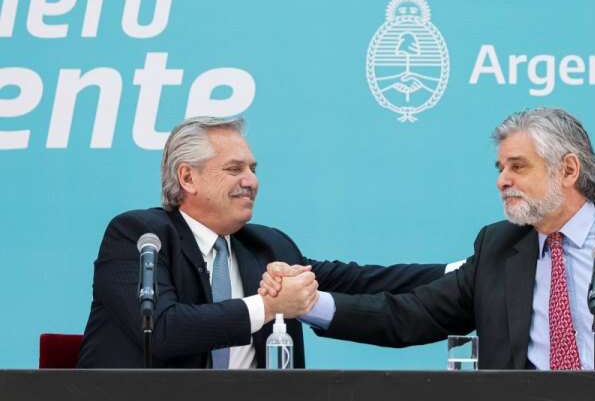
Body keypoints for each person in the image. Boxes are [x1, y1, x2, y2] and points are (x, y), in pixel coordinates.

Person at [263, 107, 595, 370]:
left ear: (568, 170)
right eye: (500, 168)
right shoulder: (498, 248)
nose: (503, 180)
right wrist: (309, 304)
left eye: (518, 166)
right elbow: (409, 316)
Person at [77, 116, 446, 368]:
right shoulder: (140, 236)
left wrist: (462, 272)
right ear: (187, 178)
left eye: (253, 169)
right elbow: (162, 330)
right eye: (234, 169)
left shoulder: (267, 246)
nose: (251, 181)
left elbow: (359, 281)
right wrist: (267, 307)